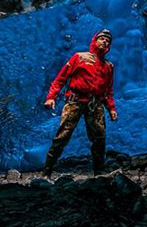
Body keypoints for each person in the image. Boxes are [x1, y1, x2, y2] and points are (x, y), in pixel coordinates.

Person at [42, 29, 118, 177]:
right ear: (95, 41)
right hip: (75, 101)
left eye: (108, 41)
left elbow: (108, 90)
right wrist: (51, 97)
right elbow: (61, 78)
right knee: (63, 135)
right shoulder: (79, 57)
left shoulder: (109, 66)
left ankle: (99, 172)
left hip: (95, 104)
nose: (105, 42)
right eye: (102, 39)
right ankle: (46, 172)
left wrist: (111, 108)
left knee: (99, 138)